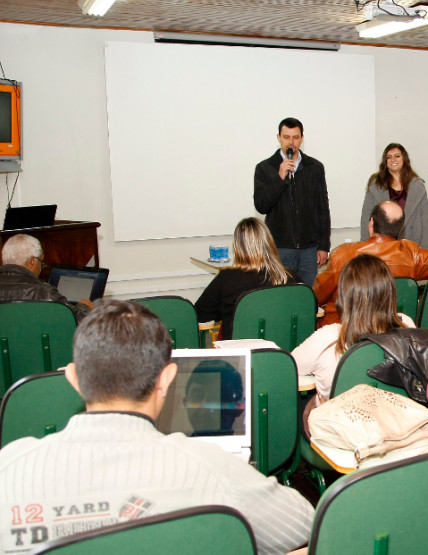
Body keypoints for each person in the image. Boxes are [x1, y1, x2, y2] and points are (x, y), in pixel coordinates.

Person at [0, 300, 313, 554]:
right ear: (167, 379)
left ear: (73, 379)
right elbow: (302, 525)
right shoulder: (210, 468)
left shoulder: (8, 468)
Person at [292, 254, 414, 411]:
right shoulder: (406, 325)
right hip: (395, 422)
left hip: (340, 429)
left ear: (343, 298)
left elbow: (290, 367)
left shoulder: (328, 339)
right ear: (389, 292)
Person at [313, 201, 428, 326]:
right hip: (392, 331)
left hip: (344, 333)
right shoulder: (411, 255)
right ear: (399, 228)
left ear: (371, 222)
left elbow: (316, 297)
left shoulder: (341, 255)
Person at [194, 218, 303, 339]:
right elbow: (308, 310)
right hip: (281, 353)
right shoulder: (292, 278)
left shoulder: (226, 279)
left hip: (240, 354)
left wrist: (227, 311)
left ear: (237, 247)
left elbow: (199, 314)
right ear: (269, 242)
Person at [253, 116, 331, 287]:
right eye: (286, 137)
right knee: (281, 299)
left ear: (302, 139)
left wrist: (324, 245)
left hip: (309, 250)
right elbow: (261, 205)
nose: (291, 142)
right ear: (278, 138)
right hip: (280, 248)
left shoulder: (315, 167)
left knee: (307, 299)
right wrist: (279, 178)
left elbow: (322, 209)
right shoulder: (265, 168)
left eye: (295, 138)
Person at [0, 234, 92, 321]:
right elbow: (75, 321)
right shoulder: (44, 292)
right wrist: (85, 308)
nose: (41, 267)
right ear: (32, 261)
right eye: (41, 261)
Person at [360, 143, 428, 249]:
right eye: (389, 157)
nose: (393, 160)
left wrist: (424, 251)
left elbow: (425, 221)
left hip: (411, 245)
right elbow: (366, 218)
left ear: (404, 159)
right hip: (382, 245)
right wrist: (366, 247)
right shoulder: (375, 185)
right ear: (385, 161)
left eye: (397, 156)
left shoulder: (418, 187)